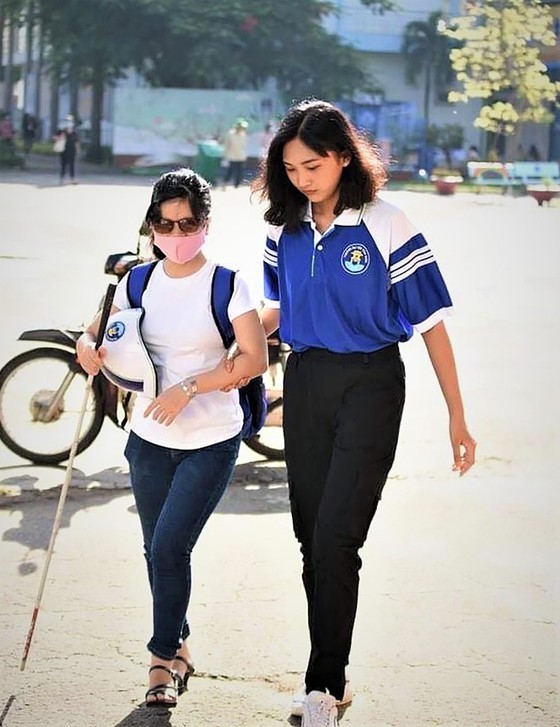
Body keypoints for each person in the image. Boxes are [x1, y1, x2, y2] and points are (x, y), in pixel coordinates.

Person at [249, 99, 477, 727]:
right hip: (307, 379)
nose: (302, 178)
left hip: (373, 383)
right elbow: (275, 310)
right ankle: (329, 676)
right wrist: (219, 354)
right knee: (309, 539)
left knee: (336, 539)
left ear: (344, 157)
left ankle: (324, 686)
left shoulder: (386, 222)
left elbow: (431, 324)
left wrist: (457, 416)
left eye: (313, 165)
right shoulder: (281, 229)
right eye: (291, 168)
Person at [76, 167, 268, 708]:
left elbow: (253, 359)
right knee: (155, 551)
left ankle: (161, 660)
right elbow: (94, 334)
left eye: (187, 224)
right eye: (164, 225)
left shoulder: (229, 282)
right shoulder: (137, 281)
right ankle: (181, 643)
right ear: (151, 227)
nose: (176, 236)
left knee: (168, 547)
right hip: (148, 438)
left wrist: (190, 386)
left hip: (210, 436)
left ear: (205, 223)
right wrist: (88, 350)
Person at [222, 117, 248, 188]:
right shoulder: (230, 134)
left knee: (240, 172)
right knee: (230, 171)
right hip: (232, 156)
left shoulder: (243, 134)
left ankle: (237, 185)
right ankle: (224, 183)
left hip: (241, 156)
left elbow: (243, 146)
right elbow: (227, 145)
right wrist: (225, 155)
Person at [53, 114, 80, 183]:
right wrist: (60, 137)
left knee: (71, 164)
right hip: (63, 148)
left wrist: (77, 149)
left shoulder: (74, 130)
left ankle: (72, 178)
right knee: (63, 164)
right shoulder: (61, 129)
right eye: (67, 120)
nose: (68, 122)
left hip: (71, 149)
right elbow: (54, 137)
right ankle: (62, 178)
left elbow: (76, 140)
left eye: (69, 120)